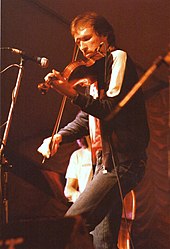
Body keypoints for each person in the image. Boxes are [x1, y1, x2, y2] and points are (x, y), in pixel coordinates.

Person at [38, 11, 150, 249]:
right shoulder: (94, 76)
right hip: (104, 164)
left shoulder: (118, 58)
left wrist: (71, 93)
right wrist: (59, 135)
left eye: (87, 38)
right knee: (103, 241)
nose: (82, 47)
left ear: (105, 37)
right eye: (78, 42)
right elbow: (87, 118)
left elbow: (110, 109)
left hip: (123, 162)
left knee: (68, 228)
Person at [64, 136, 93, 203]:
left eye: (82, 134)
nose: (78, 138)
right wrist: (77, 195)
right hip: (86, 205)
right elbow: (68, 189)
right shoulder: (77, 155)